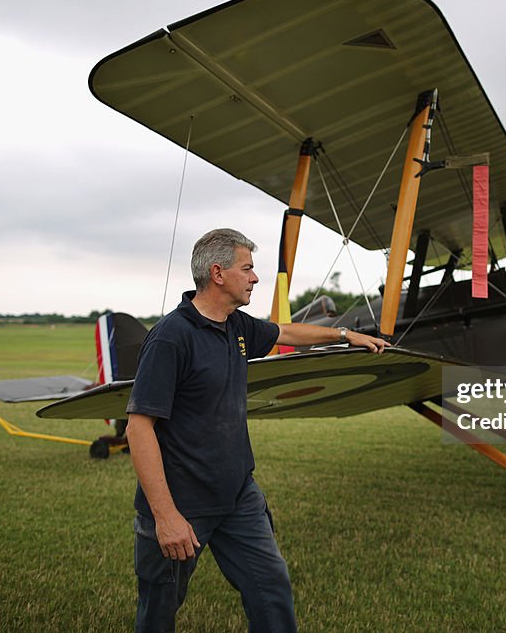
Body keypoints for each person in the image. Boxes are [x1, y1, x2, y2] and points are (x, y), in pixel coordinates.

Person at [126, 229, 388, 632]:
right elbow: (139, 429)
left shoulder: (238, 325)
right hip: (182, 503)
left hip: (237, 496)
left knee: (271, 588)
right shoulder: (170, 338)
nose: (255, 277)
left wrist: (343, 335)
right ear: (217, 273)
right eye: (247, 268)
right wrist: (166, 517)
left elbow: (285, 332)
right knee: (158, 611)